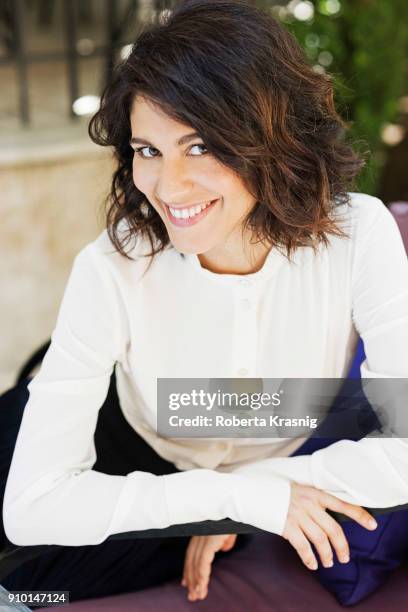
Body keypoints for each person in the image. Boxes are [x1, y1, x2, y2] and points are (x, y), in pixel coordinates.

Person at [2, 0, 408, 606]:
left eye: (199, 146)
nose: (168, 186)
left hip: (213, 501)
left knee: (29, 586)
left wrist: (247, 494)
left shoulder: (359, 236)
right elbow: (32, 507)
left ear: (271, 135)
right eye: (148, 150)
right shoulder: (113, 265)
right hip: (118, 438)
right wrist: (236, 498)